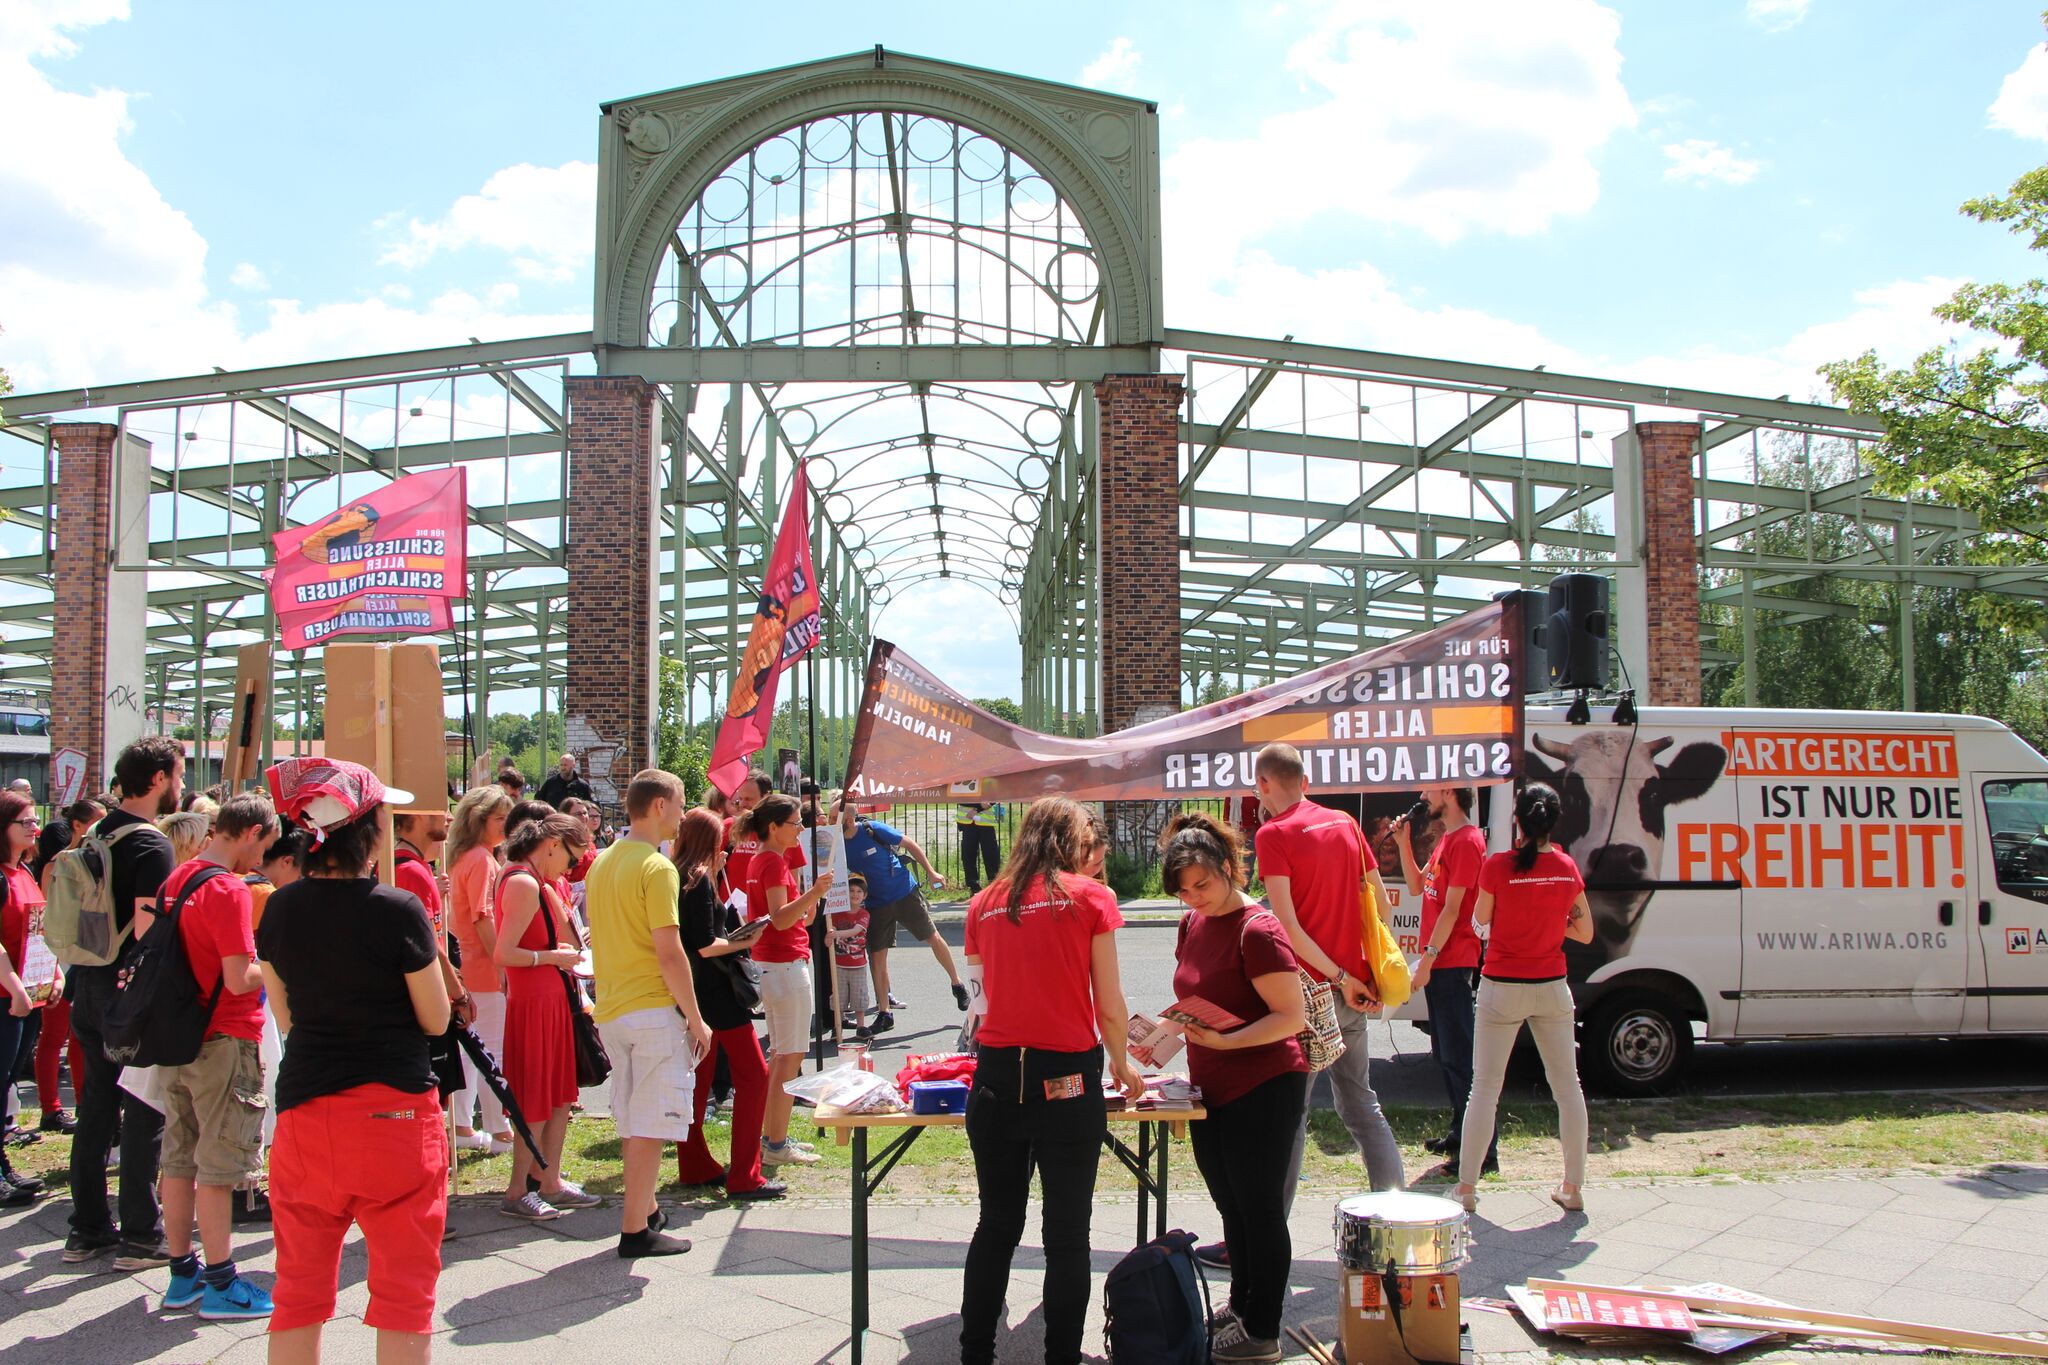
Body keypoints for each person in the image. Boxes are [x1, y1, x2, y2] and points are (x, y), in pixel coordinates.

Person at [257, 758, 451, 1364]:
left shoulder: (279, 908)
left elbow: (287, 1018)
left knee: (297, 1292)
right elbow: (436, 1018)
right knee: (405, 1295)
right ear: (371, 832)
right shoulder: (397, 909)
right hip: (394, 1113)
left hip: (307, 1112)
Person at [959, 795, 1143, 1365]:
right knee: (1067, 1235)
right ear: (1070, 838)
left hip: (994, 1077)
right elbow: (1108, 1002)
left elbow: (978, 1003)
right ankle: (1061, 1356)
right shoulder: (1092, 897)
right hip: (1066, 1078)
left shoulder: (984, 902)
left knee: (996, 1225)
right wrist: (1122, 1062)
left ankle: (975, 1354)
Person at [1244, 741, 1404, 1268]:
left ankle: (1269, 1239)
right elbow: (1381, 904)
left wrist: (1335, 975)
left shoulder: (1273, 835)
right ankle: (1395, 1221)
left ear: (1264, 784)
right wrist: (1358, 972)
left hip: (1308, 991)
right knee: (1361, 1104)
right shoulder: (1344, 823)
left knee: (1291, 1116)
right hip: (1354, 987)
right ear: (1305, 780)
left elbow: (1287, 926)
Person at [1163, 813, 1309, 1364]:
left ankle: (1263, 1330)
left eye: (1202, 884)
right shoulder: (1191, 924)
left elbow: (1290, 1017)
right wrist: (1162, 1038)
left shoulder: (1259, 930)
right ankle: (1242, 1304)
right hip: (1212, 1084)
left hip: (1264, 1082)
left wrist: (1226, 1043)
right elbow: (1195, 995)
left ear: (1228, 867)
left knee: (1259, 1208)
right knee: (1231, 1204)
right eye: (1184, 891)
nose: (1194, 897)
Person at [155, 791, 279, 1319]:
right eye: (264, 847)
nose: (262, 860)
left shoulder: (178, 877)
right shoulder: (228, 889)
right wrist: (273, 962)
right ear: (251, 832)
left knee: (179, 1155)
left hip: (177, 1035)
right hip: (224, 1036)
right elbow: (237, 977)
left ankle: (181, 1273)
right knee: (219, 1164)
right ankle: (222, 1283)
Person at [587, 769, 712, 1256]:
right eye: (679, 803)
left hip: (613, 1008)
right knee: (651, 1125)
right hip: (652, 1009)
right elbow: (670, 952)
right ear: (659, 805)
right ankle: (635, 1229)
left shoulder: (602, 861)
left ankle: (646, 1209)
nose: (682, 814)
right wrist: (696, 1018)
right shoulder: (658, 867)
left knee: (634, 1120)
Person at [1455, 783, 1595, 1215]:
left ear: (1516, 820)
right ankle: (1572, 1186)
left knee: (1484, 1089)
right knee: (1568, 1088)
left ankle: (1466, 1188)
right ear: (1553, 821)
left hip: (1502, 985)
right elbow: (1586, 932)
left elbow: (1480, 921)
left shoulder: (1498, 866)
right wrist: (1551, 922)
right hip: (1552, 985)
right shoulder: (1567, 868)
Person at [67, 736, 180, 1270]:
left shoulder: (98, 832)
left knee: (95, 1106)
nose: (180, 784)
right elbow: (146, 929)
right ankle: (140, 1234)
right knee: (142, 1108)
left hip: (87, 980)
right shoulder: (151, 845)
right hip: (128, 991)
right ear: (158, 779)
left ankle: (87, 1228)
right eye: (177, 774)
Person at [671, 806, 783, 1201]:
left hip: (697, 992)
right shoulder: (698, 878)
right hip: (719, 994)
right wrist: (744, 942)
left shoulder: (680, 874)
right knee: (754, 1076)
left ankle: (695, 1165)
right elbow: (705, 944)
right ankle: (745, 1176)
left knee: (698, 1081)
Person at [490, 812, 598, 1221]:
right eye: (571, 859)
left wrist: (557, 951)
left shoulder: (535, 879)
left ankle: (549, 1180)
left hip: (550, 999)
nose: (571, 869)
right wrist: (551, 957)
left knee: (558, 1096)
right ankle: (519, 1190)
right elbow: (504, 953)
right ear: (552, 845)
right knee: (535, 1099)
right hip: (535, 1002)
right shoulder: (522, 881)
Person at [1397, 784, 1496, 1173]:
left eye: (1430, 789)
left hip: (1452, 963)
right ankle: (1461, 1133)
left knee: (1461, 1057)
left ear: (1450, 792)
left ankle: (1483, 1152)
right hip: (1441, 964)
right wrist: (1403, 842)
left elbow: (1453, 910)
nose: (1423, 795)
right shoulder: (1448, 840)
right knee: (1447, 1055)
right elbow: (1416, 886)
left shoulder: (1467, 842)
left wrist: (1428, 959)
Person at [742, 793, 835, 1167]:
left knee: (782, 1055)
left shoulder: (763, 860)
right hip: (784, 964)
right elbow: (780, 918)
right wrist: (814, 893)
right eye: (795, 823)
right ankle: (776, 1143)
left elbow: (792, 917)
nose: (800, 829)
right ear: (774, 827)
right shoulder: (772, 862)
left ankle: (772, 1137)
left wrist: (809, 902)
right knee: (789, 1056)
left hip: (776, 963)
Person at [836, 800, 967, 1031]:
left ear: (847, 819)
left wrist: (931, 872)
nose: (829, 821)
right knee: (877, 956)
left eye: (832, 817)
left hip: (903, 892)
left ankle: (957, 984)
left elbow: (908, 843)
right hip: (876, 903)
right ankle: (885, 1013)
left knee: (932, 937)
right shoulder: (837, 844)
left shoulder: (872, 829)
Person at [445, 785, 514, 1154]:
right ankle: (499, 1129)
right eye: (499, 818)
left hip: (470, 964)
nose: (505, 825)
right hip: (485, 967)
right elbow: (482, 916)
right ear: (479, 820)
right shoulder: (482, 860)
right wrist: (502, 961)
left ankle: (463, 1124)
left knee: (472, 1051)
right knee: (491, 1051)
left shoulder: (465, 858)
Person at [29, 797, 101, 1134]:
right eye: (97, 821)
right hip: (61, 958)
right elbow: (51, 916)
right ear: (77, 826)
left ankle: (84, 1102)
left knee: (80, 1038)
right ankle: (50, 1108)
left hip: (85, 956)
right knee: (55, 1036)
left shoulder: (98, 860)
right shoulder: (57, 864)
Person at [0, 790, 47, 1205]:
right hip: (7, 995)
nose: (36, 827)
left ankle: (2, 1167)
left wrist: (53, 976)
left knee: (7, 1081)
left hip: (28, 996)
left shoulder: (24, 871)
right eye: (26, 822)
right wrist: (15, 986)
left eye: (35, 820)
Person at [832, 872, 873, 1037]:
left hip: (857, 964)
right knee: (839, 996)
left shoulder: (864, 914)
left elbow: (856, 930)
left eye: (859, 891)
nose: (855, 894)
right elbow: (831, 930)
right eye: (851, 891)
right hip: (839, 963)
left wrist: (836, 934)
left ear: (864, 895)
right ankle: (838, 1025)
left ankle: (861, 1026)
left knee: (859, 995)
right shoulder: (836, 914)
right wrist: (831, 934)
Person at [245, 829, 307, 933]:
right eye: (299, 877)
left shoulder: (230, 874)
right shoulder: (268, 896)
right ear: (287, 861)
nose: (298, 882)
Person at [955, 801, 1005, 894]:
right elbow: (959, 798)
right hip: (967, 821)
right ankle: (974, 887)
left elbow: (995, 796)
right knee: (968, 855)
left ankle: (994, 886)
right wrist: (979, 806)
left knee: (991, 855)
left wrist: (977, 809)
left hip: (985, 822)